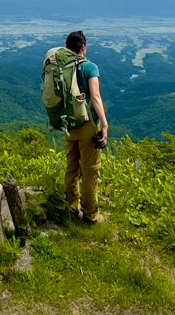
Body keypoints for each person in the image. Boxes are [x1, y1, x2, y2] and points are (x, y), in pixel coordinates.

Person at [63, 30, 109, 224]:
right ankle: (90, 215)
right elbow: (95, 97)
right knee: (90, 171)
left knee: (71, 168)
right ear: (83, 46)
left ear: (67, 48)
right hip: (87, 124)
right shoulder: (90, 67)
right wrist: (104, 125)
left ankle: (72, 209)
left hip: (67, 125)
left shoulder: (62, 68)